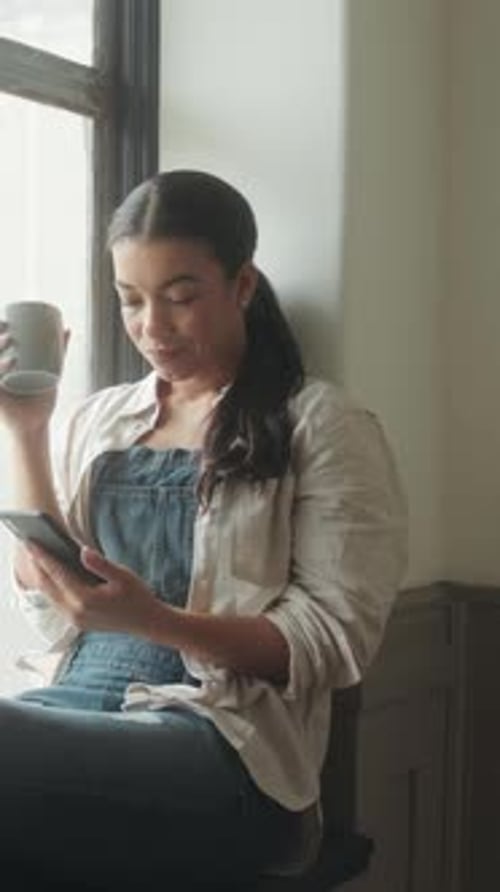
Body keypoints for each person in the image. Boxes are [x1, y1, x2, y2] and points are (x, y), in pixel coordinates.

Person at [0, 170, 407, 890]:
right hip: (78, 701)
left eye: (181, 298)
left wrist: (154, 621)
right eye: (131, 302)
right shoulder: (100, 418)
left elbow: (332, 640)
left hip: (225, 744)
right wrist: (26, 428)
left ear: (243, 285)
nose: (153, 327)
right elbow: (49, 600)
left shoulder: (321, 425)